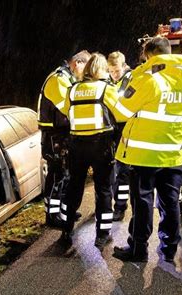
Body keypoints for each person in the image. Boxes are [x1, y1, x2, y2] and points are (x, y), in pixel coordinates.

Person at [112, 37, 182, 262]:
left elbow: (120, 111)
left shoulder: (149, 80)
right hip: (174, 153)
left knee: (142, 203)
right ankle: (169, 248)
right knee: (170, 201)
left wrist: (137, 75)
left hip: (144, 154)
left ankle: (138, 249)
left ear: (150, 54)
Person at [55, 53, 125, 250]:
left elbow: (65, 111)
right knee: (103, 189)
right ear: (101, 70)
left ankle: (66, 230)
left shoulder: (72, 90)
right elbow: (121, 114)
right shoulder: (106, 88)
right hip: (100, 145)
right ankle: (102, 235)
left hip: (77, 146)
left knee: (73, 188)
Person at [37, 50, 91, 226]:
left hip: (61, 134)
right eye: (86, 68)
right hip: (54, 135)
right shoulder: (58, 79)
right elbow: (67, 108)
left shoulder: (67, 78)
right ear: (77, 63)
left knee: (64, 175)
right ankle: (52, 216)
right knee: (56, 174)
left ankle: (60, 211)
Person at [108, 51, 132, 221]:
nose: (114, 74)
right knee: (113, 170)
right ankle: (109, 202)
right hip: (113, 130)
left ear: (124, 66)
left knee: (122, 172)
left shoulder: (132, 81)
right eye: (111, 71)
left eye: (116, 71)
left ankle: (120, 207)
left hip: (126, 130)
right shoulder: (110, 82)